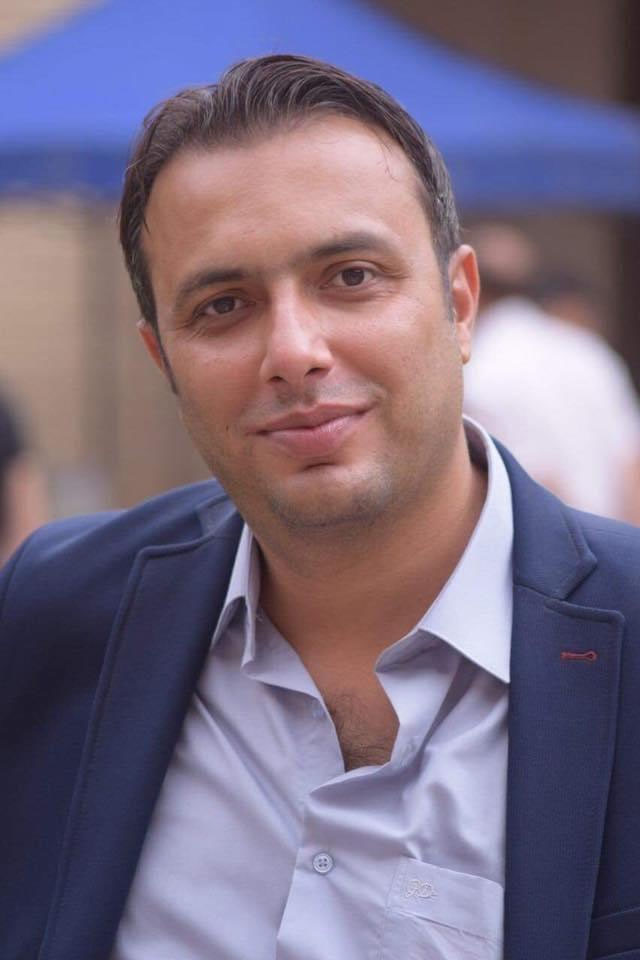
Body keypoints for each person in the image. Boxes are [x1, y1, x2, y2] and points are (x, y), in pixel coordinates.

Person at [1, 56, 638, 960]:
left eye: (351, 276)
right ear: (163, 359)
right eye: (224, 305)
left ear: (460, 305)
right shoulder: (56, 614)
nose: (294, 351)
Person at [464, 223, 640, 522]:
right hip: (613, 537)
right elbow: (631, 461)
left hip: (557, 539)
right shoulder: (586, 348)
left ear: (465, 286)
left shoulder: (479, 367)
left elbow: (532, 478)